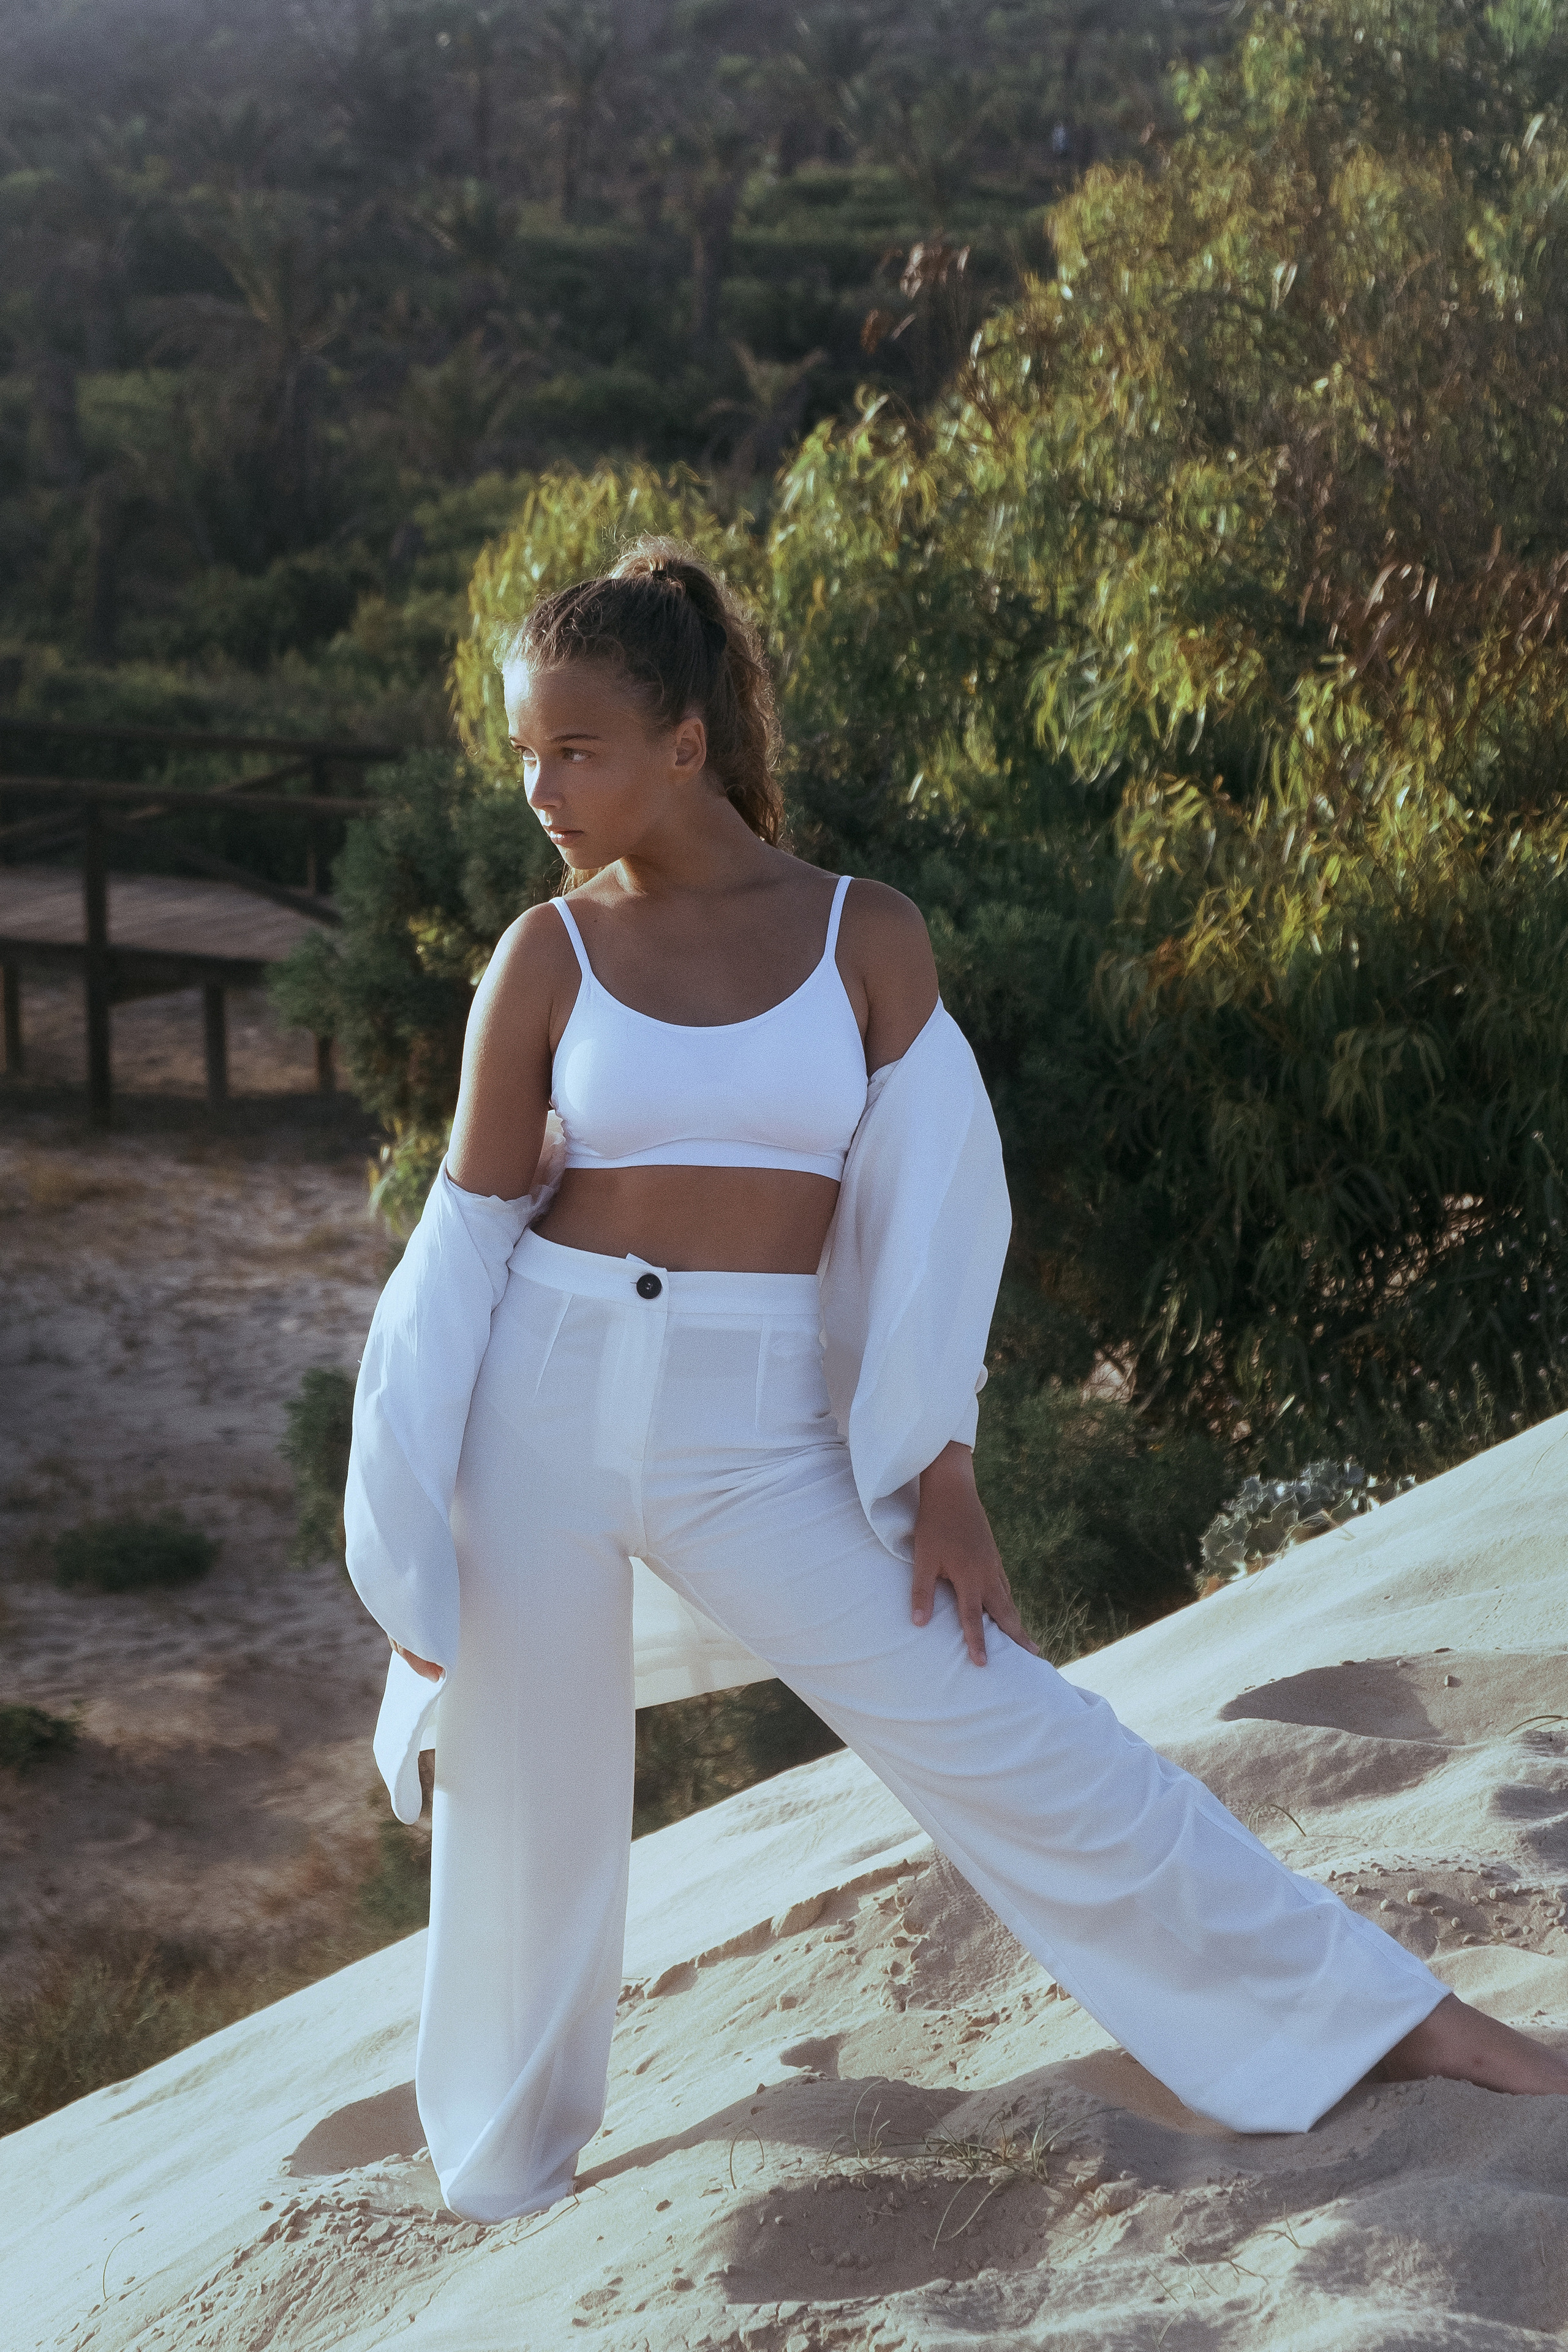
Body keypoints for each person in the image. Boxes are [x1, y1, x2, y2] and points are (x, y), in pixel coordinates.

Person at [346, 538, 1568, 2226]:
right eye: (524, 757)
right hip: (534, 1414)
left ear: (683, 743)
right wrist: (407, 1528)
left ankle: (1393, 2021)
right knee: (529, 1838)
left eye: (577, 750)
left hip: (751, 1431)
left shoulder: (867, 936)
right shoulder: (542, 954)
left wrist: (945, 1474)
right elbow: (464, 1240)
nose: (542, 789)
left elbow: (939, 1217)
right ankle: (499, 2193)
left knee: (1019, 1732)